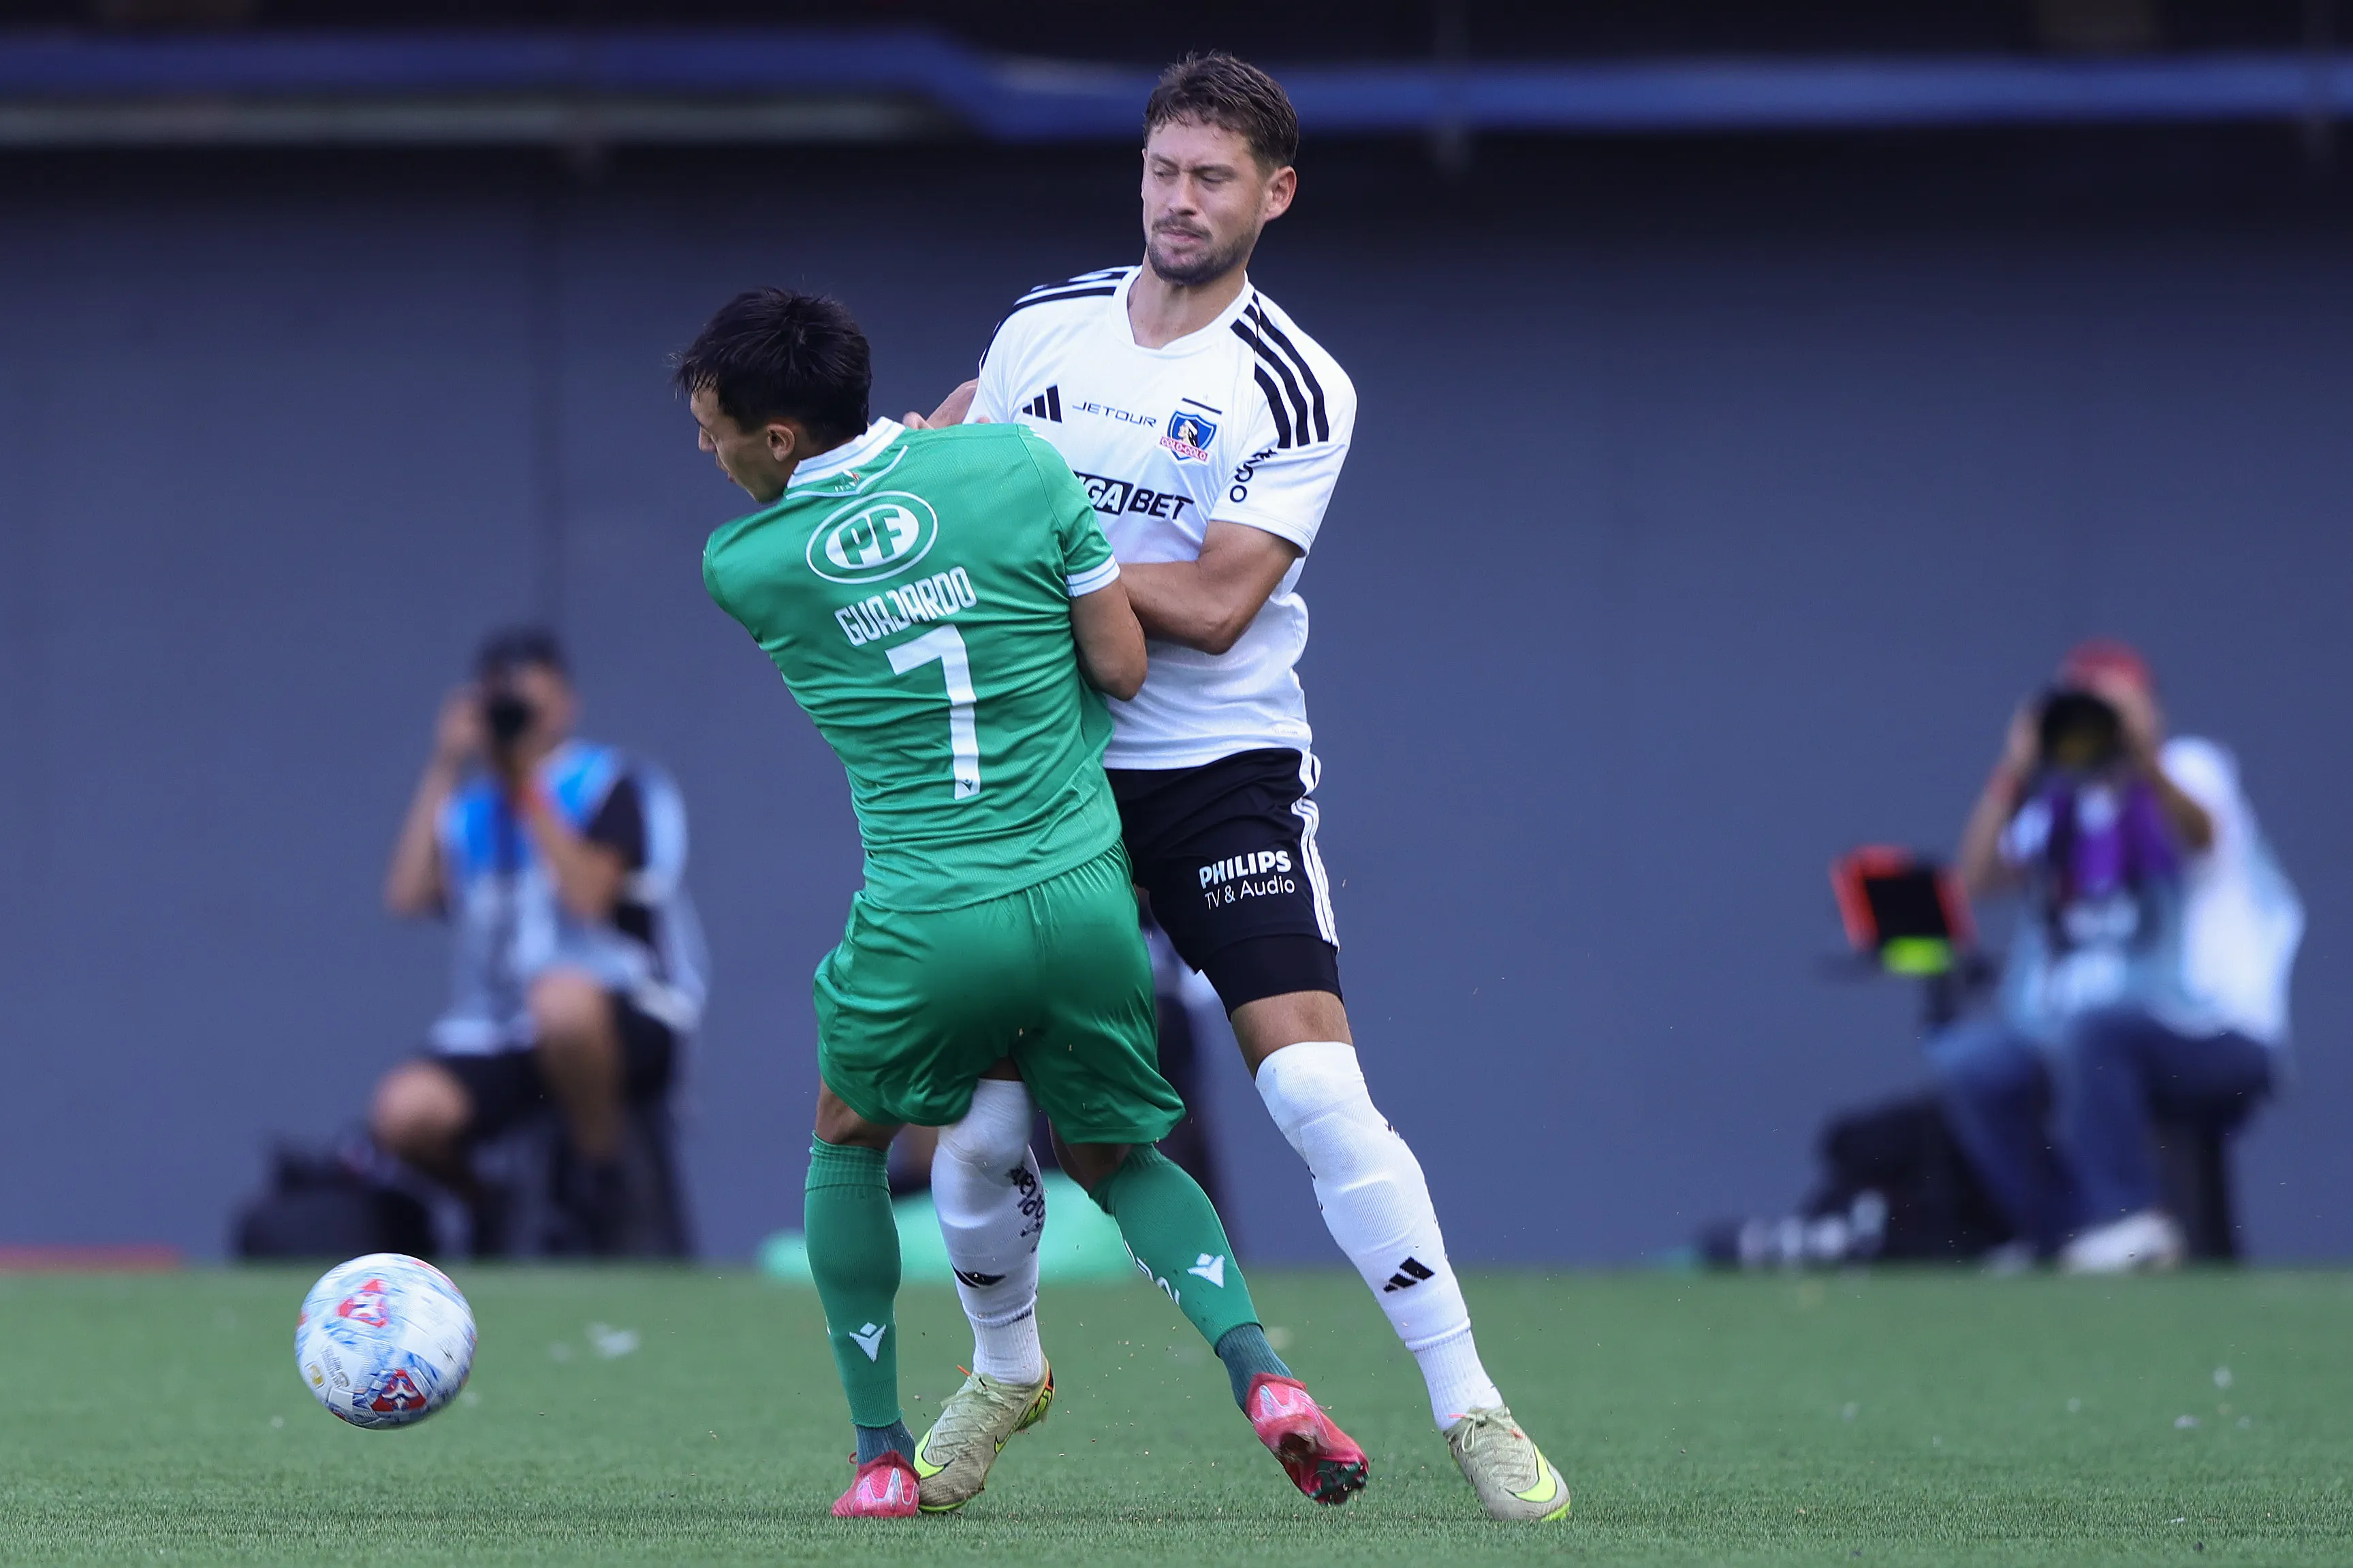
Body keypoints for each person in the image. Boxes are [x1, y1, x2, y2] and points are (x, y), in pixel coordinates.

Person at [905, 52, 1566, 1522]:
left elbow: (1208, 605)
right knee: (980, 1130)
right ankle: (1003, 1367)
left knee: (1317, 1088)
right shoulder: (1041, 328)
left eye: (1211, 178)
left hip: (1216, 771)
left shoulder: (1292, 377)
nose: (1179, 201)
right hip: (1050, 773)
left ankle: (1471, 1404)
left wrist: (1031, 558)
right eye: (1161, 170)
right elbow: (947, 475)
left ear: (1272, 194)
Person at [678, 287, 1367, 1518]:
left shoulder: (746, 564)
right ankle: (1261, 1372)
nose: (704, 448)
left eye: (712, 425)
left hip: (930, 910)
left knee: (847, 1137)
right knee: (1115, 1150)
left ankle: (883, 1452)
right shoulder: (1016, 465)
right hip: (1084, 895)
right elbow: (1121, 662)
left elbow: (872, 537)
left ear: (778, 438)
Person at [1932, 639, 2303, 1271]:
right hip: (2082, 1035)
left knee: (2097, 1027)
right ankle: (2062, 1236)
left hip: (2209, 1032)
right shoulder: (2061, 803)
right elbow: (1977, 876)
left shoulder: (2190, 770)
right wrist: (2015, 769)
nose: (2092, 723)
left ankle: (2127, 1220)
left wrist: (2140, 753)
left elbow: (2200, 832)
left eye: (2109, 706)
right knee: (1971, 1062)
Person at [370, 628, 707, 1255]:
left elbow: (587, 896)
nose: (516, 718)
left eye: (532, 702)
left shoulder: (612, 783)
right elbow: (407, 895)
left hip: (620, 1007)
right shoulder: (470, 807)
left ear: (566, 704)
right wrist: (446, 762)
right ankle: (492, 1208)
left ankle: (600, 1185)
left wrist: (526, 783)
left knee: (562, 1001)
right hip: (502, 1024)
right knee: (403, 1112)